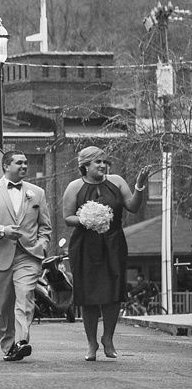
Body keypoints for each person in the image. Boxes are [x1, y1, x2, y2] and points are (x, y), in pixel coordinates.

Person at [62, 146, 149, 361]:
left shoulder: (117, 181)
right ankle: (91, 343)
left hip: (113, 243)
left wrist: (139, 186)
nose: (103, 165)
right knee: (89, 295)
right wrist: (87, 219)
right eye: (97, 162)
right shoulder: (74, 187)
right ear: (85, 166)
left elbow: (133, 207)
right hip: (85, 245)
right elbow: (67, 218)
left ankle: (108, 338)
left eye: (104, 162)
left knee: (113, 292)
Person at [0, 151, 51, 362]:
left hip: (28, 256)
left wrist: (41, 246)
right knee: (3, 306)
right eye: (19, 163)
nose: (25, 166)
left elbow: (45, 226)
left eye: (26, 163)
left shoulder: (37, 193)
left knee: (25, 296)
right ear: (6, 166)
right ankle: (9, 346)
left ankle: (21, 341)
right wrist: (2, 231)